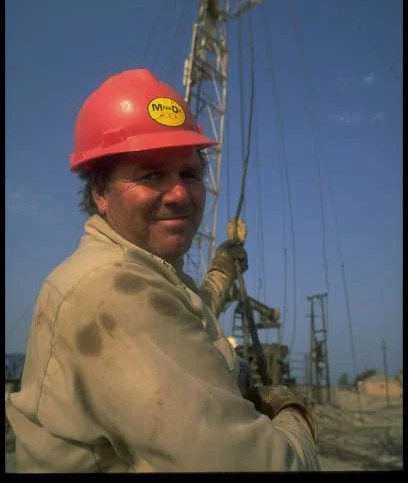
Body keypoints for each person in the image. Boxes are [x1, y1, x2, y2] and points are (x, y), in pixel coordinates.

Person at [6, 68, 320, 472]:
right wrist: (293, 416)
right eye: (151, 173)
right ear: (100, 191)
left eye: (189, 173)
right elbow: (268, 465)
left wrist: (222, 269)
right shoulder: (111, 290)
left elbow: (187, 312)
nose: (179, 194)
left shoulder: (138, 273)